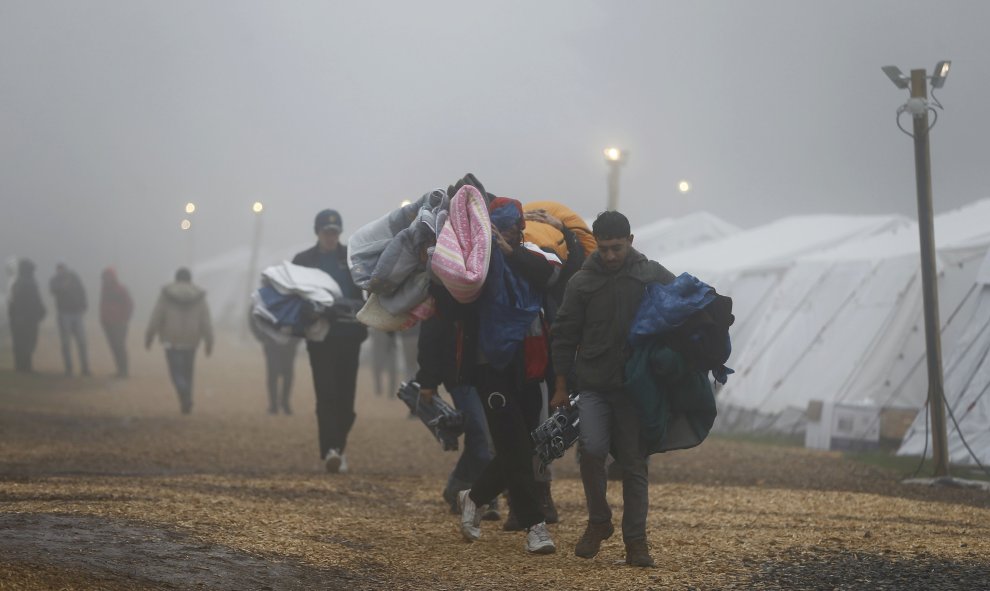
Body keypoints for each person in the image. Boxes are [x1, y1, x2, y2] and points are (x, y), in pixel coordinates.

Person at [550, 210, 676, 568]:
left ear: (630, 242)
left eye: (616, 248)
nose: (609, 256)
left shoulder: (649, 274)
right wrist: (560, 385)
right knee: (591, 450)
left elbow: (682, 302)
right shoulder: (581, 282)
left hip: (635, 389)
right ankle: (599, 521)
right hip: (592, 384)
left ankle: (636, 542)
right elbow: (564, 334)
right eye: (603, 249)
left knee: (634, 465)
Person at [445, 195, 559, 555]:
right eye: (500, 227)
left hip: (529, 365)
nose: (506, 233)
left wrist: (511, 253)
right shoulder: (475, 263)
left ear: (521, 227)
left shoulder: (536, 255)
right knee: (512, 443)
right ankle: (534, 525)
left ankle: (474, 496)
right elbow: (452, 301)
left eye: (512, 226)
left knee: (523, 447)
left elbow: (552, 276)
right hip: (489, 367)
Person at [292, 209, 368, 474]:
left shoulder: (351, 258)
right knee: (326, 394)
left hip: (350, 338)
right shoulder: (303, 261)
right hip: (320, 339)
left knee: (346, 401)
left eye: (334, 232)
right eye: (326, 232)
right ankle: (331, 451)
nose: (330, 237)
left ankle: (338, 446)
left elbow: (365, 293)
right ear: (318, 232)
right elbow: (295, 299)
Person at [415, 313, 499, 520]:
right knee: (480, 433)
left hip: (491, 369)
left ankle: (458, 486)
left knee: (481, 433)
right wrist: (427, 380)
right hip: (460, 372)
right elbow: (431, 332)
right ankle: (486, 495)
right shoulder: (449, 285)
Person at [145, 268, 214, 414]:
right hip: (191, 340)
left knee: (175, 371)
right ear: (190, 279)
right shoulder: (199, 296)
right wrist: (209, 341)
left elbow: (157, 316)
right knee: (188, 371)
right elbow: (205, 320)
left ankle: (183, 391)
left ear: (176, 279)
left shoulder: (166, 294)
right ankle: (186, 399)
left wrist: (149, 336)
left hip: (171, 339)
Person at [249, 312, 301, 414]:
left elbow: (302, 317)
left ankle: (285, 402)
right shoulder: (266, 297)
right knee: (273, 373)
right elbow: (253, 315)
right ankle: (273, 404)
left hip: (289, 343)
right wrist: (262, 337)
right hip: (271, 343)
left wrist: (295, 339)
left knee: (288, 373)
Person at [50, 263, 90, 376]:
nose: (60, 270)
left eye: (62, 268)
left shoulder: (74, 277)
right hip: (64, 314)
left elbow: (82, 291)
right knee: (66, 343)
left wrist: (84, 305)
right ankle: (69, 369)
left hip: (77, 313)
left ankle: (85, 368)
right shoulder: (55, 280)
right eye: (58, 269)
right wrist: (63, 287)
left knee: (82, 342)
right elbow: (53, 290)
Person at [7, 258, 46, 373]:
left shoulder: (18, 282)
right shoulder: (29, 282)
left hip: (19, 319)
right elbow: (34, 300)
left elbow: (12, 302)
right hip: (28, 319)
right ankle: (26, 366)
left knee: (20, 342)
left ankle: (21, 366)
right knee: (28, 342)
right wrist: (41, 311)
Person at [99, 267, 134, 378]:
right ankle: (120, 370)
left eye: (108, 276)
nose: (106, 279)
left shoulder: (121, 289)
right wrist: (103, 319)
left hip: (119, 323)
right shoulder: (104, 290)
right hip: (108, 323)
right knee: (114, 347)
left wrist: (125, 318)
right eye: (105, 277)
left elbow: (129, 304)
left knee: (119, 346)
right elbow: (102, 305)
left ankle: (124, 371)